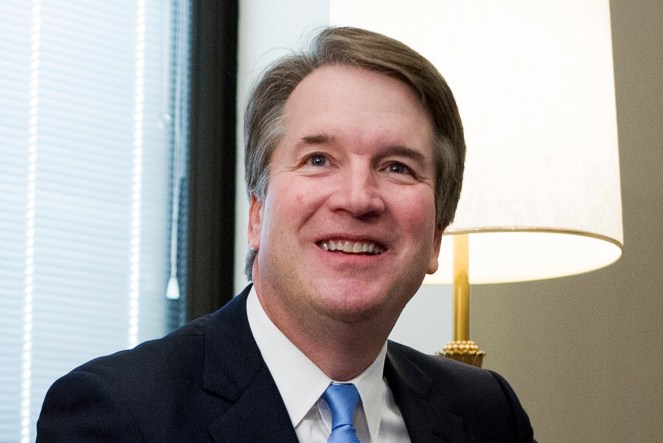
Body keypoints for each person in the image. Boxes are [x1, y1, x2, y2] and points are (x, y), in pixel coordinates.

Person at [37, 26, 534, 442]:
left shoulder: (488, 415)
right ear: (257, 214)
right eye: (318, 160)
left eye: (398, 167)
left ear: (435, 237)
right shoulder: (116, 415)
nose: (358, 198)